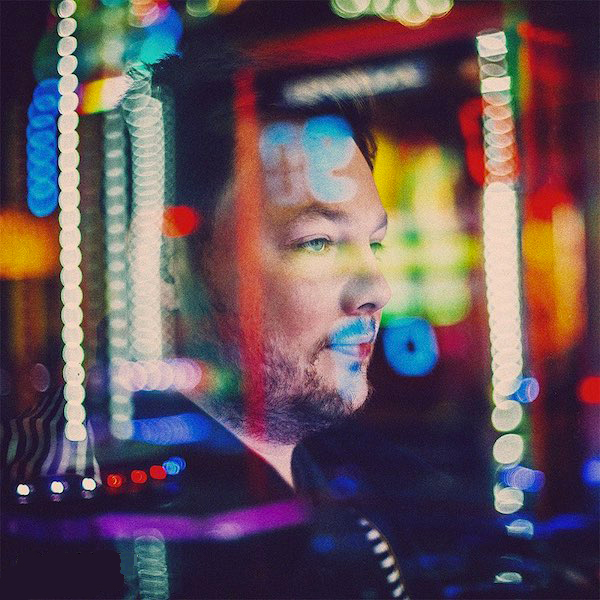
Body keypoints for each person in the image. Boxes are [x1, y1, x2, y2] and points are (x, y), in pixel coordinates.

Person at [2, 35, 409, 599]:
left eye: (374, 243)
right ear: (169, 265)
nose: (376, 289)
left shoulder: (357, 475)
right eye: (317, 242)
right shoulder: (73, 502)